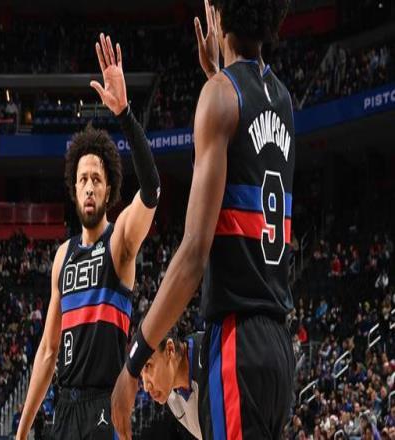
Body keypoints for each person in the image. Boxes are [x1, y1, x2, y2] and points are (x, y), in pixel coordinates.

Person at [111, 0, 295, 439]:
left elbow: (194, 253)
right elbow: (245, 134)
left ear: (222, 15)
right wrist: (218, 73)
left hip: (236, 342)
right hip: (278, 348)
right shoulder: (284, 101)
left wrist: (134, 363)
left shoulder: (220, 95)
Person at [15, 33, 160, 440]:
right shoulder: (62, 256)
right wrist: (21, 432)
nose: (90, 187)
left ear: (109, 188)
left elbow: (152, 189)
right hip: (64, 407)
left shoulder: (120, 242)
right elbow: (48, 352)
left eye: (97, 178)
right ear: (74, 189)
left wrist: (125, 114)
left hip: (104, 405)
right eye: (83, 180)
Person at [140, 327, 204, 439]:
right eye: (140, 374)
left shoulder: (211, 356)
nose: (146, 387)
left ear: (170, 350)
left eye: (148, 365)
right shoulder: (169, 394)